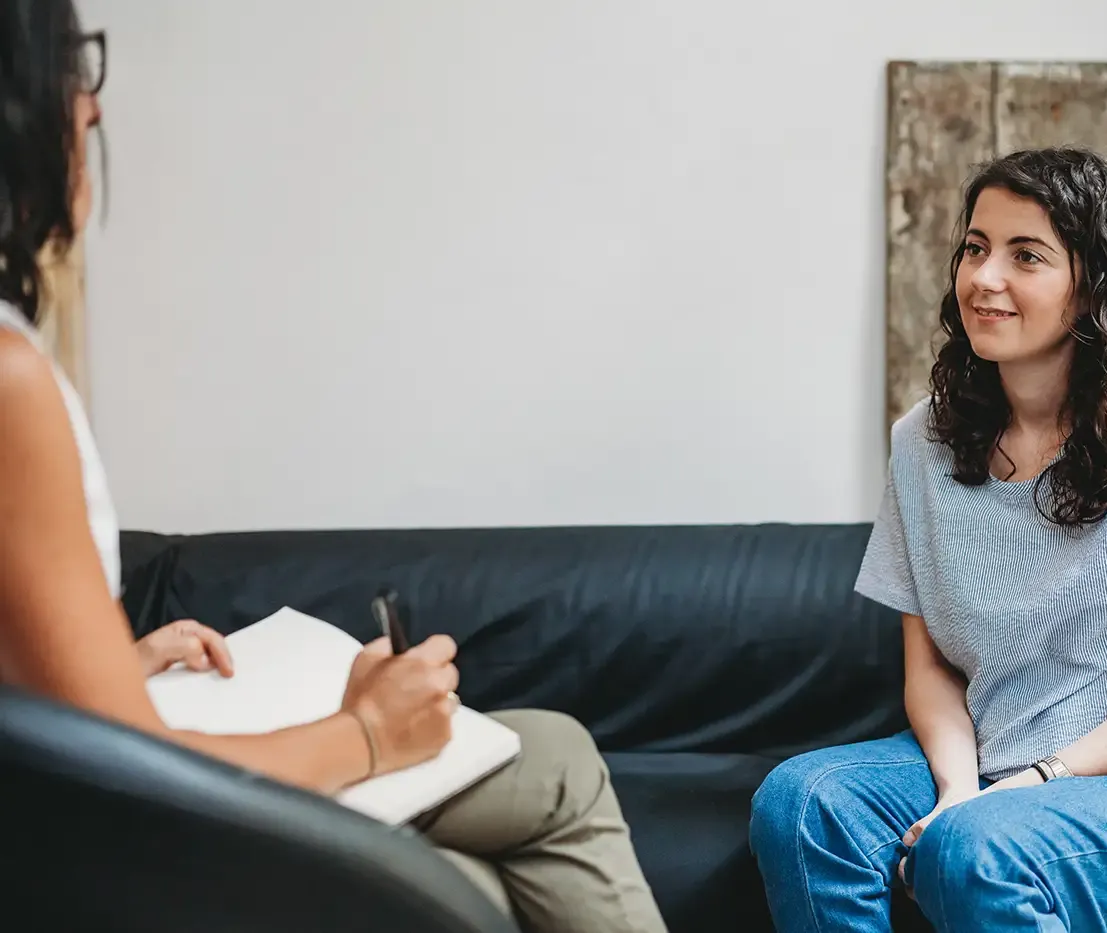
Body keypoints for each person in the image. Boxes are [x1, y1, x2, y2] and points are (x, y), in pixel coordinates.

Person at [0, 5, 666, 932]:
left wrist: (102, 664)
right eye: (72, 69)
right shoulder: (8, 378)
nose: (92, 110)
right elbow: (122, 781)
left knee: (494, 860)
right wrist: (366, 734)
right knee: (543, 775)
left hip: (68, 823)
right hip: (103, 855)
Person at [749, 146, 1107, 932]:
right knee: (802, 803)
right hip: (987, 766)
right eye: (975, 247)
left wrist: (1034, 781)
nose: (985, 277)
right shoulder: (921, 442)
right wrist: (959, 790)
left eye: (1026, 255)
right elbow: (929, 669)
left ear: (1093, 285)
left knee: (975, 850)